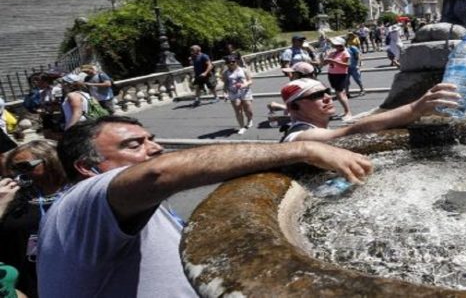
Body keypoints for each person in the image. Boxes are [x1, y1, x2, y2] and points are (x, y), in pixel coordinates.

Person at [36, 116, 372, 296]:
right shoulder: (80, 203)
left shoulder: (131, 209)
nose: (155, 148)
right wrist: (302, 151)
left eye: (152, 139)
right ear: (87, 167)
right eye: (134, 145)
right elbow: (159, 173)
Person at [279, 78, 458, 142]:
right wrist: (414, 108)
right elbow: (349, 132)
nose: (327, 97)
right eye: (316, 96)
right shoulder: (298, 136)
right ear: (294, 107)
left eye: (326, 92)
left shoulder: (312, 129)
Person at [1, 140, 69, 298]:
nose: (19, 173)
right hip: (24, 280)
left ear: (52, 161)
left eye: (25, 166)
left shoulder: (77, 190)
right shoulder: (10, 196)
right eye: (14, 168)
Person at [221, 55, 254, 135]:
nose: (231, 63)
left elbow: (250, 81)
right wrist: (225, 93)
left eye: (233, 62)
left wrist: (245, 84)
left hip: (245, 91)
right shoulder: (225, 73)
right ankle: (242, 127)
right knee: (238, 110)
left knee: (248, 110)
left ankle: (249, 120)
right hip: (233, 93)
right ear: (226, 64)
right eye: (229, 62)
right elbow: (225, 84)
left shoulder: (244, 70)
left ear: (236, 62)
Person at [323, 37, 352, 121]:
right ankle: (346, 111)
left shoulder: (345, 53)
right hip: (332, 74)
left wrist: (333, 61)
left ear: (341, 45)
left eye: (337, 45)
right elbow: (325, 63)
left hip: (341, 74)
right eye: (334, 45)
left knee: (340, 94)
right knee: (340, 94)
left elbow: (347, 65)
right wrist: (325, 59)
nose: (335, 46)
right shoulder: (333, 52)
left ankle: (348, 112)